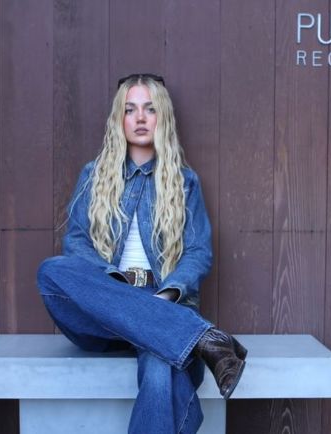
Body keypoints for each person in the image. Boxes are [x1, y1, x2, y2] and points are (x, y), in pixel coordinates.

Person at [36, 73, 247, 434]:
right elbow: (76, 242)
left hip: (164, 301)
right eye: (130, 109)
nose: (140, 118)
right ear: (119, 119)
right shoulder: (93, 175)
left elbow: (198, 252)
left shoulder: (184, 181)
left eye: (150, 109)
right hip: (104, 305)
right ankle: (203, 339)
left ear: (162, 117)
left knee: (160, 368)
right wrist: (113, 284)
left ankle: (176, 331)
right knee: (51, 270)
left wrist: (165, 297)